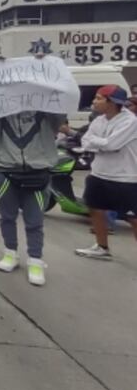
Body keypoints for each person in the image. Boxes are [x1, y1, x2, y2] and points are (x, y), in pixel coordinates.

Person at [0, 82, 63, 286]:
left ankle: (35, 259)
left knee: (34, 220)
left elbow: (60, 110)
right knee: (7, 216)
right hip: (6, 171)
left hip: (37, 173)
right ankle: (10, 252)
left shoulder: (46, 113)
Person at [75, 85, 137, 260]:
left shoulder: (129, 121)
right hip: (99, 173)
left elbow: (113, 145)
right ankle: (102, 247)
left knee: (133, 217)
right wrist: (101, 143)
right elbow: (85, 141)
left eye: (98, 98)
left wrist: (99, 143)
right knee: (95, 209)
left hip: (126, 177)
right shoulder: (99, 120)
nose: (94, 101)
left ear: (112, 102)